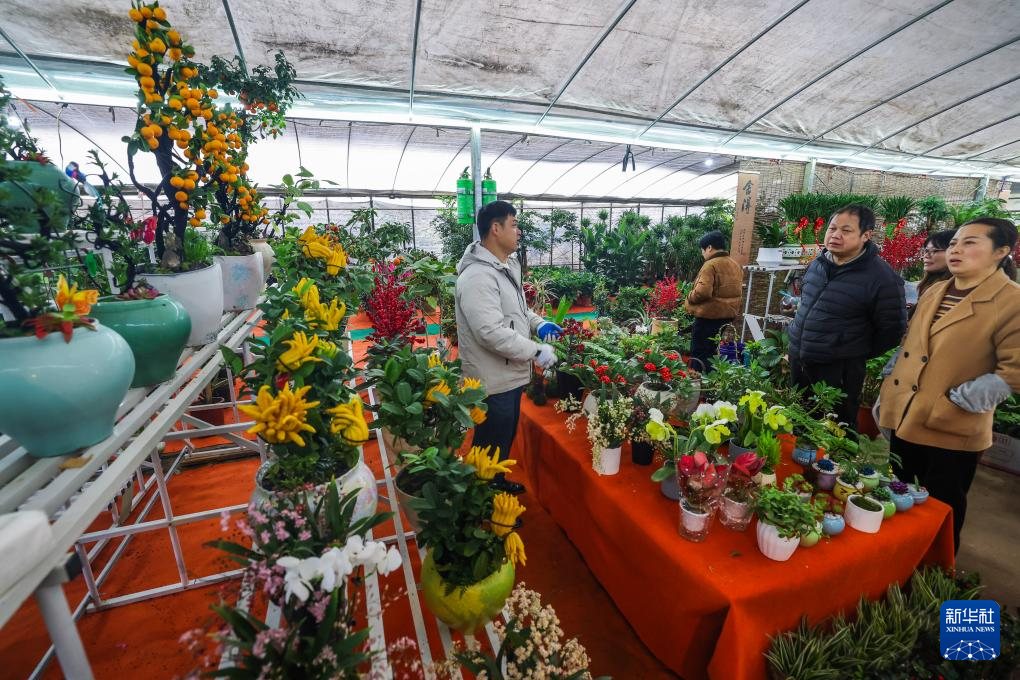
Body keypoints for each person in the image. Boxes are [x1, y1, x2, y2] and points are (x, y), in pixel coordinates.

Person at [878, 218, 1020, 552]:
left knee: (941, 505)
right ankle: (896, 557)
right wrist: (890, 393)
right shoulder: (936, 291)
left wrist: (964, 400)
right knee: (899, 493)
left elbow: (1014, 370)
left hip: (951, 426)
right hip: (907, 415)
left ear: (1001, 251)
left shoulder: (1010, 302)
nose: (956, 249)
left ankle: (935, 568)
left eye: (970, 243)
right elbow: (911, 346)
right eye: (954, 242)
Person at [455, 201, 561, 494]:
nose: (519, 231)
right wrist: (536, 351)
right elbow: (489, 332)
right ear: (495, 228)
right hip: (491, 380)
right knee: (490, 442)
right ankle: (481, 499)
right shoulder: (478, 276)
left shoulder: (504, 267)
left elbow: (517, 311)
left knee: (501, 438)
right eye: (514, 224)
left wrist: (539, 323)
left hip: (507, 375)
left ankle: (495, 484)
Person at [787, 204, 906, 428]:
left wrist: (849, 350)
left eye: (846, 230)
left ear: (866, 235)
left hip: (838, 369)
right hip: (801, 361)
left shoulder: (882, 278)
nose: (835, 235)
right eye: (832, 228)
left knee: (836, 428)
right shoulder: (818, 264)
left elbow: (892, 331)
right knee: (798, 422)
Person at [683, 230, 742, 373]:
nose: (702, 253)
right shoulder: (735, 264)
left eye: (702, 250)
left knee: (699, 352)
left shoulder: (711, 265)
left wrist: (689, 296)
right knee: (712, 352)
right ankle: (711, 381)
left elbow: (702, 292)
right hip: (726, 316)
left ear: (709, 247)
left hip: (708, 316)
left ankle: (697, 381)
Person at [915, 229, 955, 301]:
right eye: (926, 251)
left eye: (934, 250)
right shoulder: (927, 285)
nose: (926, 256)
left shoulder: (955, 291)